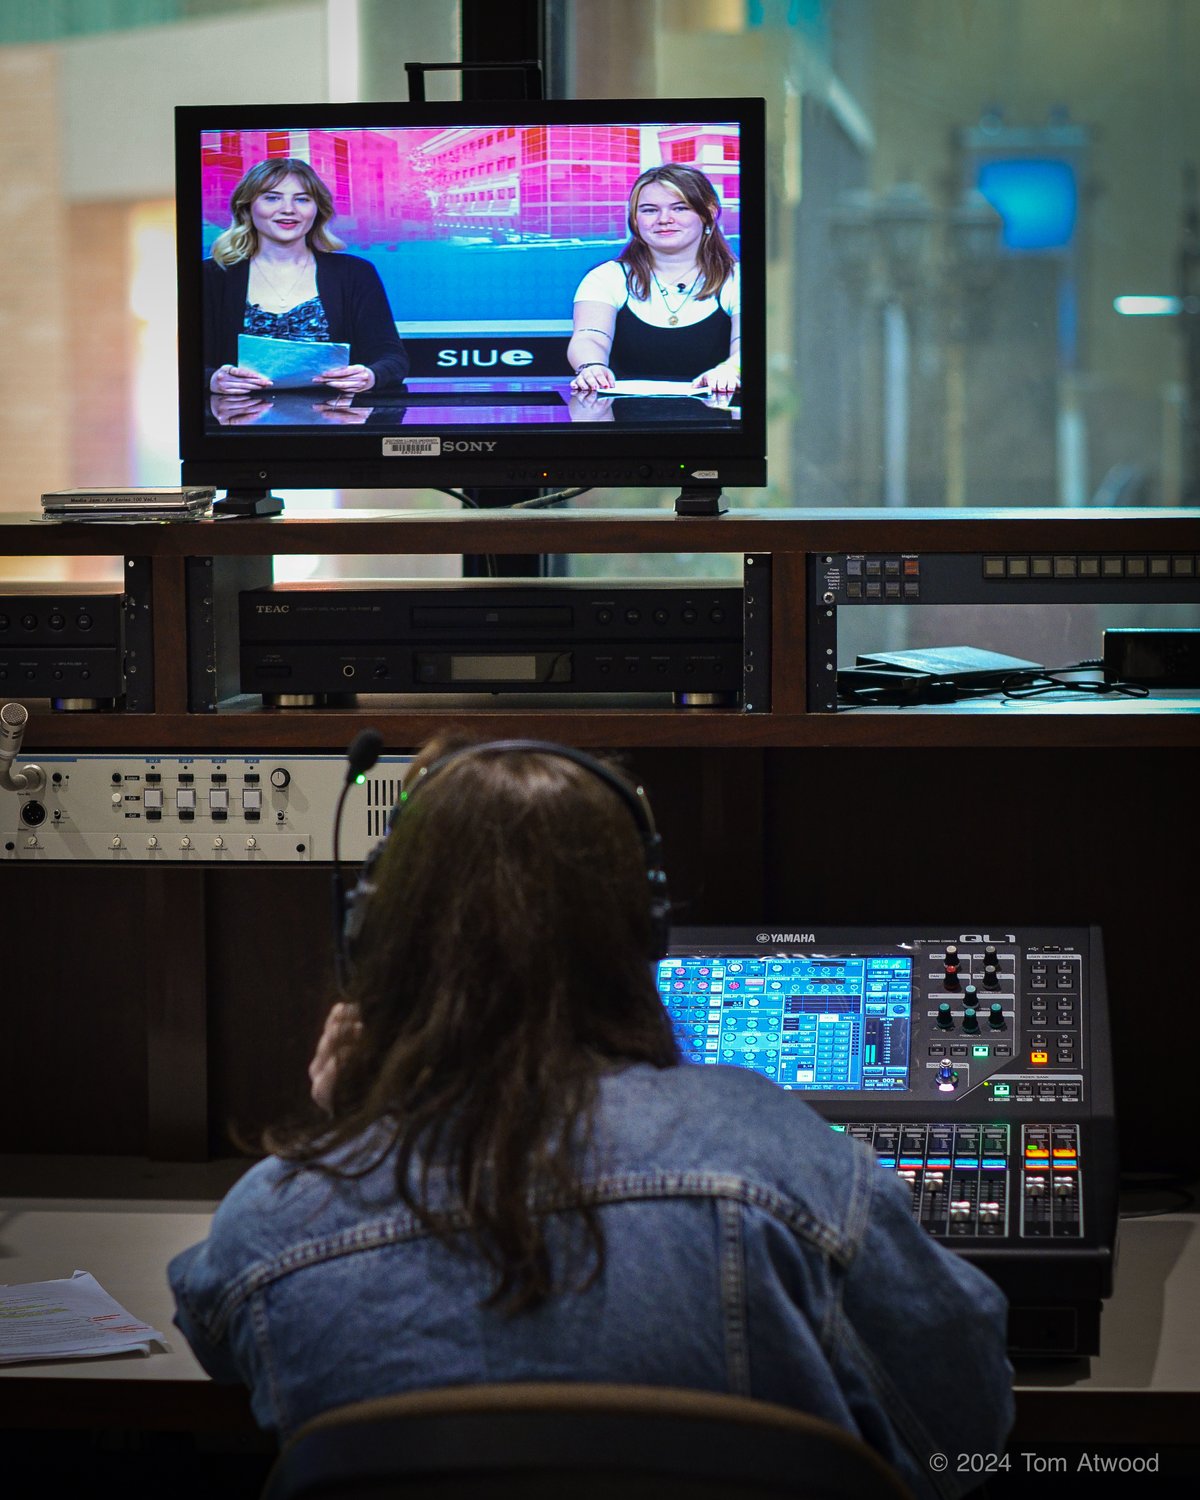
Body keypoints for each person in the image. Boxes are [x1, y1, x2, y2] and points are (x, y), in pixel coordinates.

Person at [168, 735, 1014, 1500]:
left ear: (373, 938)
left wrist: (359, 1128)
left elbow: (225, 1337)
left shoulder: (273, 1221)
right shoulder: (787, 1163)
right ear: (644, 932)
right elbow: (966, 1426)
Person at [203, 157, 408, 397]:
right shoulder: (212, 276)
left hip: (335, 415)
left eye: (302, 199)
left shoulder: (355, 273)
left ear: (317, 209)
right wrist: (212, 380)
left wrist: (370, 376)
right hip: (235, 417)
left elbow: (392, 359)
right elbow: (179, 359)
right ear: (247, 206)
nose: (288, 209)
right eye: (272, 198)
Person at [566, 164, 741, 396]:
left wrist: (730, 370)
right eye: (649, 210)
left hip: (720, 415)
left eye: (680, 208)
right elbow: (590, 337)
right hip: (622, 416)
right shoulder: (605, 278)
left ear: (708, 213)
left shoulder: (737, 279)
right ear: (635, 219)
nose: (664, 219)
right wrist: (591, 367)